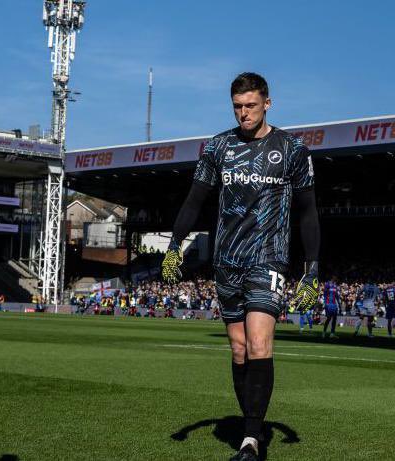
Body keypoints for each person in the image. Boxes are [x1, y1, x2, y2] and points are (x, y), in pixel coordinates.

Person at [161, 72, 320, 461]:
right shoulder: (219, 147)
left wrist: (312, 268)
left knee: (260, 342)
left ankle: (251, 441)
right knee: (238, 348)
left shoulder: (293, 149)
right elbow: (195, 199)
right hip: (226, 261)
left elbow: (308, 211)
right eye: (237, 106)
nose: (243, 113)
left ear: (268, 103)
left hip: (269, 259)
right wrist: (175, 246)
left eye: (250, 105)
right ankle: (252, 427)